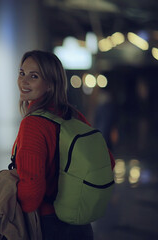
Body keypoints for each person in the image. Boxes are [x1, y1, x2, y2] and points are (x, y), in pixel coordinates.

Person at [12, 50, 115, 240]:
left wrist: (11, 207)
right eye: (21, 73)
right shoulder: (71, 115)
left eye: (33, 76)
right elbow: (108, 161)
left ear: (50, 84)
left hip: (48, 226)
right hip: (80, 226)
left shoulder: (33, 124)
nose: (23, 81)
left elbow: (33, 191)